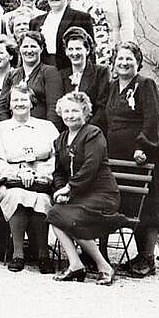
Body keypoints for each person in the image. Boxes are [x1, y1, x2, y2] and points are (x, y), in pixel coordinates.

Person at [102, 42, 159, 277]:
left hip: (143, 154)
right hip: (116, 155)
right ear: (114, 62)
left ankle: (146, 257)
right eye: (120, 59)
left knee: (146, 205)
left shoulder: (145, 85)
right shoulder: (111, 87)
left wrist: (143, 147)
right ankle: (124, 254)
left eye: (129, 58)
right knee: (127, 202)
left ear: (138, 62)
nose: (124, 63)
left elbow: (152, 119)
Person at [47, 92, 125, 285]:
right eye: (66, 111)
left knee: (70, 218)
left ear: (85, 112)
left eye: (75, 110)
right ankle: (75, 265)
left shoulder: (93, 134)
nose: (70, 115)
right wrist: (60, 191)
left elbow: (92, 165)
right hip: (78, 196)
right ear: (60, 113)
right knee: (56, 214)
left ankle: (104, 267)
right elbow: (58, 172)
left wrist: (69, 189)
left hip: (102, 195)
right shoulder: (60, 139)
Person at [0, 83, 59, 273]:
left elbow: (57, 156)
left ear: (32, 103)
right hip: (11, 182)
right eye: (15, 100)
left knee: (42, 199)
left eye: (23, 99)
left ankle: (43, 254)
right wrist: (18, 173)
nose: (19, 103)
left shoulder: (47, 127)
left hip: (41, 181)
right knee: (17, 196)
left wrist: (39, 174)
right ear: (9, 105)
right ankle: (18, 253)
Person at [0, 31, 64, 129]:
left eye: (33, 46)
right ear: (19, 49)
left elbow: (54, 108)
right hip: (14, 130)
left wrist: (49, 132)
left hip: (40, 129)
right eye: (25, 46)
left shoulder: (49, 72)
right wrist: (8, 129)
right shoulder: (11, 75)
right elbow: (2, 108)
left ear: (41, 49)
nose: (29, 51)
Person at [29, 0, 94, 71]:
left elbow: (90, 51)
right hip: (43, 74)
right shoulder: (35, 22)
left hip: (70, 72)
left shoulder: (81, 18)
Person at [59, 26, 110, 125]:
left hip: (93, 129)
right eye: (70, 49)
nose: (74, 53)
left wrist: (86, 131)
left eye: (78, 49)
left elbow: (102, 107)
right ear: (66, 51)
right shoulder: (61, 75)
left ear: (87, 50)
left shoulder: (101, 72)